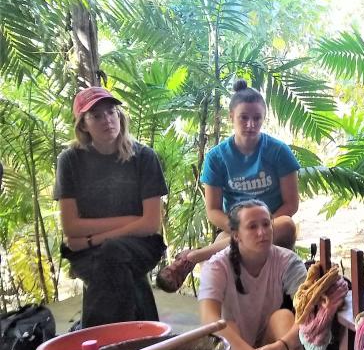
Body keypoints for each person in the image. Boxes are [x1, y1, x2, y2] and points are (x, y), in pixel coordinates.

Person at [157, 80, 301, 292]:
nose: (251, 124)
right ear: (231, 116)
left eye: (257, 118)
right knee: (223, 258)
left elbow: (291, 204)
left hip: (272, 226)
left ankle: (196, 255)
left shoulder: (278, 151)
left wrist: (259, 226)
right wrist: (241, 229)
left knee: (287, 224)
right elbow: (213, 210)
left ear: (263, 119)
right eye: (244, 117)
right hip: (232, 228)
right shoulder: (217, 157)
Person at [54, 86, 168, 328]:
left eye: (111, 112)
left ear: (119, 116)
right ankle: (146, 337)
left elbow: (150, 224)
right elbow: (71, 226)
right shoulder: (70, 161)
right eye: (96, 116)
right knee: (111, 264)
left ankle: (94, 341)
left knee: (111, 255)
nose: (107, 120)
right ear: (83, 125)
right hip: (85, 251)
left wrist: (93, 238)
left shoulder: (144, 157)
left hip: (140, 245)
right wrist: (130, 220)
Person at [198, 199, 310, 350]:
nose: (262, 232)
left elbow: (310, 314)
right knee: (225, 324)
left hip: (267, 345)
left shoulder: (287, 260)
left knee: (285, 317)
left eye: (266, 224)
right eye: (252, 227)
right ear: (236, 235)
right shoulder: (217, 265)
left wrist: (281, 346)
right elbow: (209, 320)